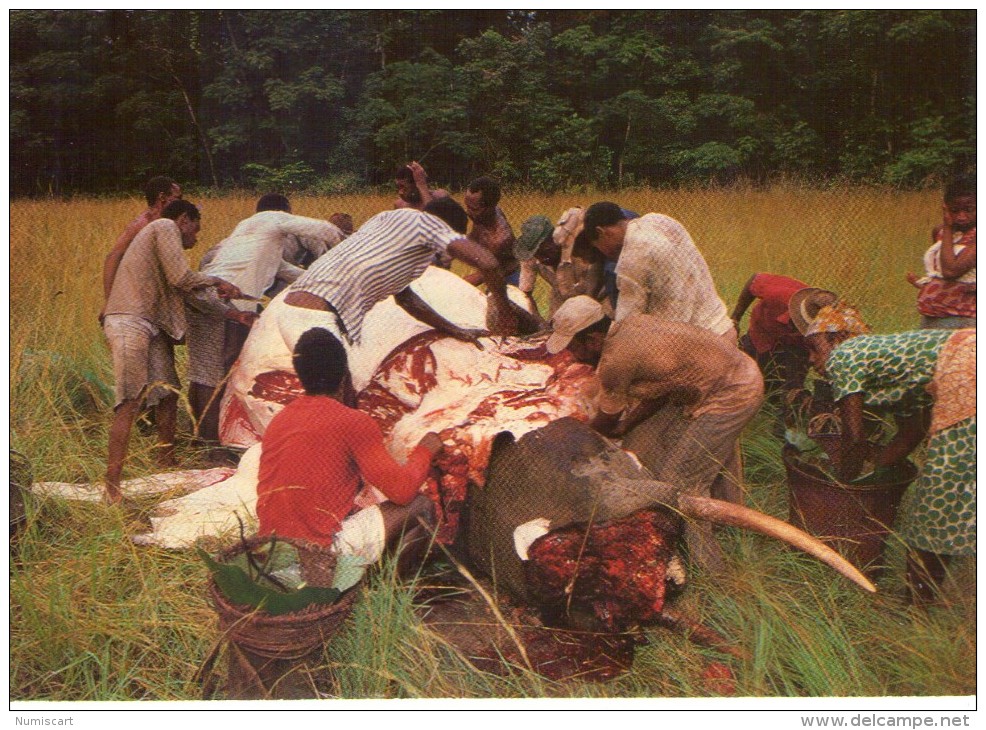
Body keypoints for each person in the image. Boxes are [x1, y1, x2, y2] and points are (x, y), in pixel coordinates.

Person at [545, 296, 764, 574]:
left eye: (574, 346)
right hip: (736, 375)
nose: (572, 355)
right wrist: (627, 427)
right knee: (713, 461)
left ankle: (710, 572)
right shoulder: (632, 326)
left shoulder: (616, 361)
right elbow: (661, 388)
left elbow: (603, 424)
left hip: (732, 393)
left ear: (593, 339)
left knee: (682, 482)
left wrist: (574, 441)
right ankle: (739, 536)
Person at [801, 302, 975, 606]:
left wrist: (845, 483)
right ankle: (921, 602)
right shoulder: (897, 371)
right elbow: (911, 433)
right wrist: (875, 470)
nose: (812, 360)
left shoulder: (846, 355)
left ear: (839, 339)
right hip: (969, 360)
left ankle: (915, 610)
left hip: (969, 372)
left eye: (816, 348)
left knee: (937, 501)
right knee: (950, 497)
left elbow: (854, 437)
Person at [256, 327, 440, 564]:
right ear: (344, 376)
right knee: (421, 506)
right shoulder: (354, 422)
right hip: (318, 554)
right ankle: (371, 588)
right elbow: (402, 492)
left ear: (300, 377)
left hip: (271, 550)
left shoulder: (281, 418)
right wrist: (426, 450)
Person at [102, 200, 243, 504]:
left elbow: (184, 287)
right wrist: (219, 281)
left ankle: (166, 459)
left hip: (151, 325)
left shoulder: (160, 242)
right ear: (183, 220)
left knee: (168, 392)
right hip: (130, 320)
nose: (195, 238)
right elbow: (180, 278)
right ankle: (112, 488)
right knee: (129, 400)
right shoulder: (164, 226)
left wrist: (226, 308)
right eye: (195, 229)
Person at [184, 193, 347, 448]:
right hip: (225, 300)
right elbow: (323, 229)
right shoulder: (273, 218)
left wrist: (329, 284)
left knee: (205, 371)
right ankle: (211, 445)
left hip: (206, 297)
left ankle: (201, 438)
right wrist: (351, 243)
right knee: (217, 373)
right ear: (284, 212)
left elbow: (288, 272)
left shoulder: (249, 233)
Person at [283, 197, 525, 347]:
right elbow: (488, 263)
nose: (447, 255)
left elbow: (407, 299)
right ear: (446, 228)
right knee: (337, 399)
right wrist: (503, 311)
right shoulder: (429, 223)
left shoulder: (387, 219)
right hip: (322, 311)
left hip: (292, 304)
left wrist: (456, 330)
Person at [579, 202, 735, 342]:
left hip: (702, 348)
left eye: (600, 247)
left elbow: (626, 327)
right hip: (722, 329)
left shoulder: (632, 257)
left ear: (602, 232)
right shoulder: (658, 220)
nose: (606, 254)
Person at [731, 275, 838, 422]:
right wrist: (736, 317)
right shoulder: (779, 294)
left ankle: (783, 428)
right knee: (742, 377)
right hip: (761, 334)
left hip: (797, 347)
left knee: (791, 389)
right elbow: (753, 280)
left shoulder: (827, 328)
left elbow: (820, 353)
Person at [516, 207, 638, 317]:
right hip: (562, 295)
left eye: (546, 251)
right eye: (538, 254)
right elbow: (525, 294)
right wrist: (538, 321)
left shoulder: (579, 246)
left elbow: (594, 283)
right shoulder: (530, 256)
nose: (542, 258)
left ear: (553, 239)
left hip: (598, 294)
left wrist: (585, 312)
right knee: (554, 328)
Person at [101, 176, 183, 319]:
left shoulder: (169, 224)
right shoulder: (142, 224)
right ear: (162, 197)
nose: (181, 203)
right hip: (138, 300)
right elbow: (113, 256)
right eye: (178, 198)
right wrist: (109, 301)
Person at [906, 175, 976, 329]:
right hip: (932, 317)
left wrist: (948, 227)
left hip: (964, 321)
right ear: (946, 208)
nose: (961, 216)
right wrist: (923, 284)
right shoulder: (940, 232)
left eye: (969, 210)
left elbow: (951, 271)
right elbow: (942, 274)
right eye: (954, 210)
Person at [461, 176, 520, 287]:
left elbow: (483, 275)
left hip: (508, 280)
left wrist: (453, 286)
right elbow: (472, 238)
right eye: (467, 206)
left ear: (490, 207)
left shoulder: (500, 239)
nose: (468, 212)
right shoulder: (481, 216)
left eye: (473, 209)